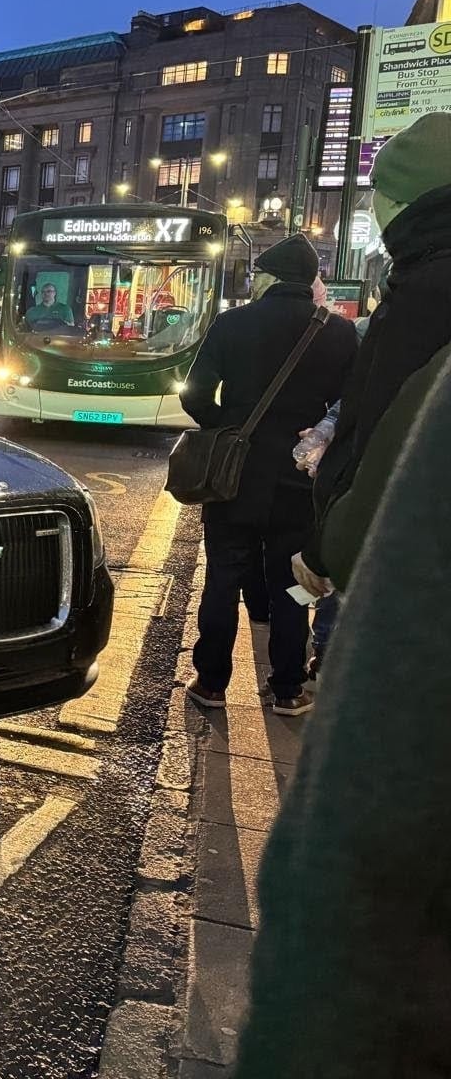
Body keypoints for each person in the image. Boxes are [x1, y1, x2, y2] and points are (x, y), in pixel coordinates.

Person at [232, 349, 451, 1079]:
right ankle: (289, 680)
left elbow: (364, 843)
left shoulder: (416, 366)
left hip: (264, 500)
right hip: (297, 509)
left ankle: (221, 670)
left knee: (264, 591)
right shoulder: (338, 341)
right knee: (287, 604)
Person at [179, 234, 357, 715]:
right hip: (300, 479)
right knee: (293, 586)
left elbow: (194, 395)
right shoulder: (340, 334)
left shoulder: (233, 322)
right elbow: (352, 409)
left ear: (271, 279)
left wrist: (228, 429)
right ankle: (288, 687)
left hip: (233, 479)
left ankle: (212, 682)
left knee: (223, 577)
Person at [296, 111, 451, 600]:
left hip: (409, 566)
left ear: (399, 200)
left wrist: (329, 546)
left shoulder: (425, 295)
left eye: (376, 193)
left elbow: (386, 436)